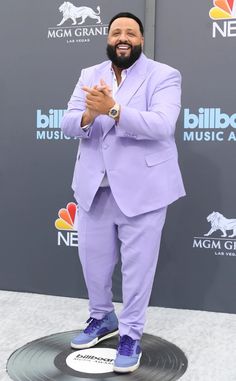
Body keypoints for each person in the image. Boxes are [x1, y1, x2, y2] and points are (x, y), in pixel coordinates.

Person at [61, 12, 185, 373]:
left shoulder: (164, 75)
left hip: (143, 191)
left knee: (137, 270)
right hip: (93, 189)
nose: (123, 37)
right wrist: (88, 114)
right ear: (108, 39)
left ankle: (130, 333)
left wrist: (112, 109)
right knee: (94, 266)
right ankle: (102, 318)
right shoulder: (90, 74)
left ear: (141, 40)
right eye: (116, 32)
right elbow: (68, 122)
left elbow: (162, 125)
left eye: (131, 32)